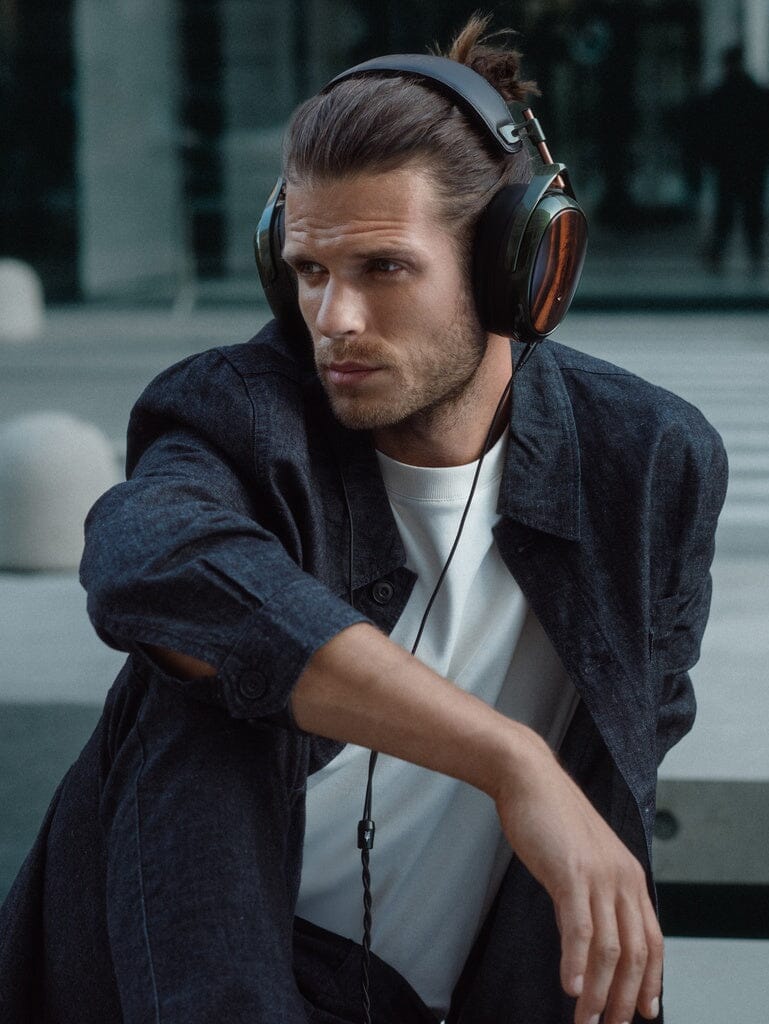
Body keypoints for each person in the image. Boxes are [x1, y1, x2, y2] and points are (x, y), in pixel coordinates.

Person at [0, 16, 727, 1024]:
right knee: (202, 677)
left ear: (516, 264)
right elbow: (145, 555)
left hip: (434, 994)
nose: (334, 318)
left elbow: (632, 742)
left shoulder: (647, 461)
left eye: (383, 268)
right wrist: (511, 760)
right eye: (307, 271)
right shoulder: (236, 413)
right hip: (184, 965)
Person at [699, 45, 769, 273]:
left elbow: (707, 132)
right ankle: (754, 252)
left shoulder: (718, 96)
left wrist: (712, 157)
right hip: (753, 164)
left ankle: (719, 253)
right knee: (752, 209)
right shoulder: (759, 95)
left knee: (726, 210)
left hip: (728, 164)